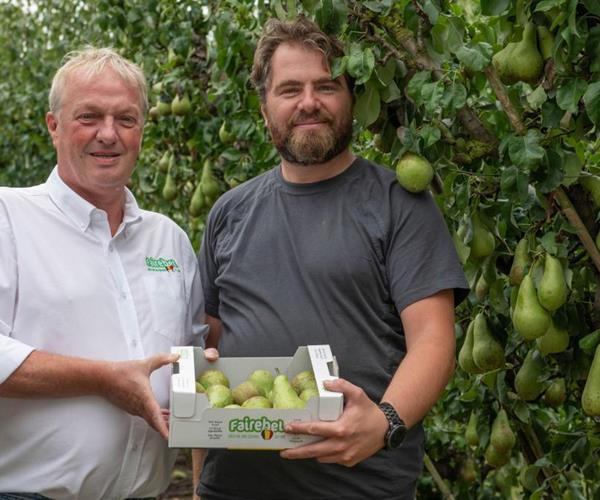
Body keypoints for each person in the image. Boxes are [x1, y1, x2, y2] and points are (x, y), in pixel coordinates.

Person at [193, 16, 469, 500]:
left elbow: (433, 340)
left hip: (360, 487)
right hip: (235, 488)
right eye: (289, 89)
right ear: (264, 109)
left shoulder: (398, 202)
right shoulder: (228, 212)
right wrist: (199, 486)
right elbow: (208, 355)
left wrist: (384, 422)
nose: (308, 103)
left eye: (327, 86)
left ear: (353, 101)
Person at [0, 48, 209, 499]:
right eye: (89, 117)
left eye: (126, 119)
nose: (108, 134)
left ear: (142, 129)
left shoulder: (168, 240)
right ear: (53, 126)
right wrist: (105, 378)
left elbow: (193, 366)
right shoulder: (8, 217)